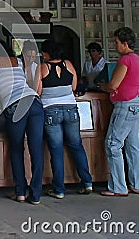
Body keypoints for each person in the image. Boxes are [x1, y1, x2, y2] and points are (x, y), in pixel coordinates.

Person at [0, 40, 44, 205]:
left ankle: (20, 192)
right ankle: (36, 195)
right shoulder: (18, 61)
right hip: (34, 100)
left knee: (17, 149)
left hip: (15, 105)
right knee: (36, 149)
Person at [36, 39, 93, 199]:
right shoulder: (68, 64)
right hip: (71, 109)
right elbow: (74, 87)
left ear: (47, 53)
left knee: (56, 150)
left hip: (51, 111)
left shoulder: (43, 68)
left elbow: (38, 91)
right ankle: (87, 182)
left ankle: (59, 190)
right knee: (76, 146)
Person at [99, 27, 139, 196]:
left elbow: (113, 85)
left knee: (113, 144)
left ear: (125, 44)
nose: (114, 45)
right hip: (137, 103)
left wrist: (103, 86)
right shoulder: (138, 59)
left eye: (117, 42)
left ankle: (118, 187)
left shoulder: (125, 60)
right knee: (133, 146)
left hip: (125, 106)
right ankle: (138, 184)